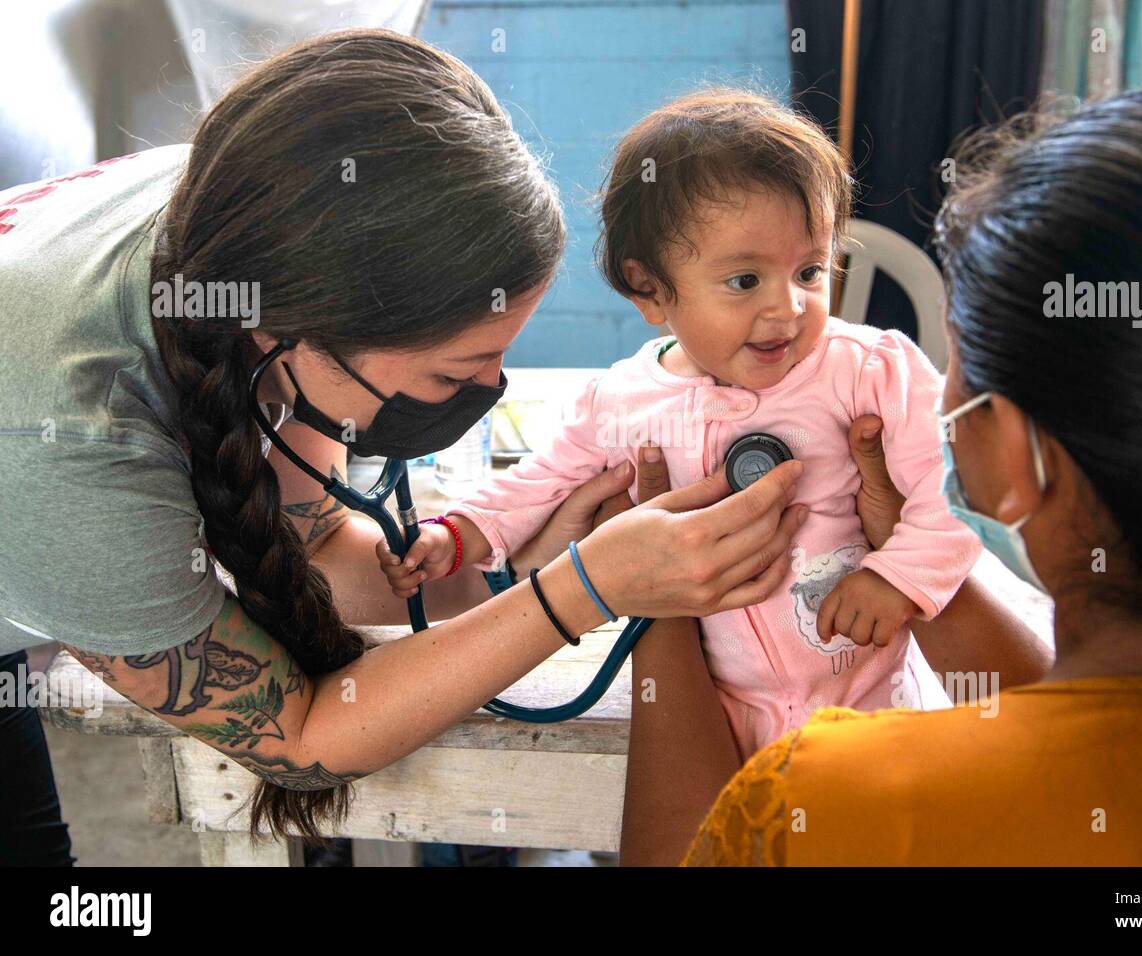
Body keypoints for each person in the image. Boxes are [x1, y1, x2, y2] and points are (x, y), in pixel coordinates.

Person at [0, 30, 806, 862]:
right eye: (457, 371)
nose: (490, 388)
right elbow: (302, 738)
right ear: (301, 331)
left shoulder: (267, 229)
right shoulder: (69, 447)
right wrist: (587, 588)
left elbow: (316, 552)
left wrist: (517, 569)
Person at [620, 84, 1142, 866]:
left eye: (953, 368)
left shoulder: (831, 800)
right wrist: (906, 562)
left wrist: (655, 600)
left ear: (1016, 453)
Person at [381, 89, 982, 759]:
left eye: (810, 270)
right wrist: (459, 533)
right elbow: (543, 481)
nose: (788, 306)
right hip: (722, 718)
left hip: (871, 701)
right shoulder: (622, 400)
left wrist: (897, 577)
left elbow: (954, 487)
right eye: (745, 281)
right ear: (650, 289)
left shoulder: (868, 371)